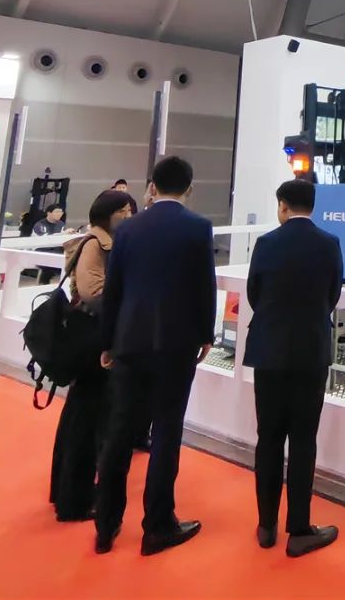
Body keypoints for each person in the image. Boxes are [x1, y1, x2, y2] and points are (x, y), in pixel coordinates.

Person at [94, 156, 217, 557]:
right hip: (177, 344)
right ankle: (158, 525)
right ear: (189, 189)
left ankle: (106, 524)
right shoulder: (198, 228)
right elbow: (204, 286)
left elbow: (114, 289)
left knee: (119, 431)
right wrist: (205, 334)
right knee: (166, 432)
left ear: (151, 187)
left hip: (130, 341)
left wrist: (107, 341)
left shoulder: (128, 229)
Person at [245, 179, 343, 558]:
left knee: (268, 437)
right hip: (310, 352)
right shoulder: (329, 244)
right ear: (312, 207)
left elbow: (254, 293)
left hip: (268, 351)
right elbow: (332, 295)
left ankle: (266, 525)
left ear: (283, 206)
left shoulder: (266, 244)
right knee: (303, 440)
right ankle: (299, 529)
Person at [50, 190, 134, 522]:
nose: (127, 216)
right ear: (106, 213)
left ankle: (69, 491)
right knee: (87, 418)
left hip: (91, 335)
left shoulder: (104, 242)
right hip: (92, 338)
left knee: (83, 415)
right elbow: (92, 292)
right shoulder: (96, 244)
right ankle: (75, 499)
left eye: (129, 210)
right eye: (122, 210)